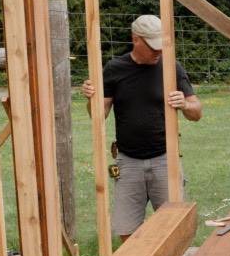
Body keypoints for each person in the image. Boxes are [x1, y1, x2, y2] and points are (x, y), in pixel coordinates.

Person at [80, 14, 202, 241]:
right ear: (135, 39)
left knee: (174, 227)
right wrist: (92, 98)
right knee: (126, 231)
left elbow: (197, 112)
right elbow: (98, 116)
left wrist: (185, 104)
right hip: (128, 161)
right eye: (153, 46)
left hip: (165, 160)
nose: (159, 51)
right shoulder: (115, 69)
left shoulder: (171, 67)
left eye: (161, 45)